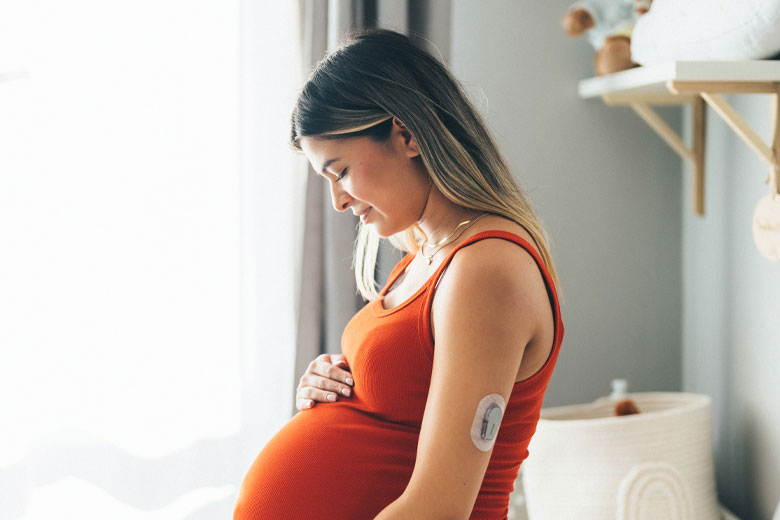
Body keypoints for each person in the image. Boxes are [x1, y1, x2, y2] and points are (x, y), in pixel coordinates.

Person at [234, 28, 564, 520]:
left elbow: (439, 508)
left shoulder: (487, 267)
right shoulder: (427, 253)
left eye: (341, 172)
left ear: (406, 135)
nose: (337, 201)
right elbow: (399, 409)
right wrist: (334, 386)